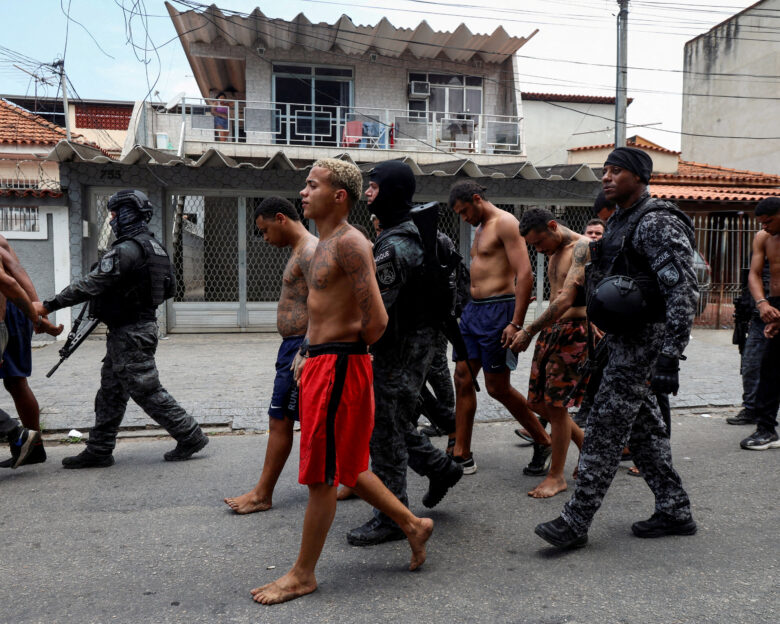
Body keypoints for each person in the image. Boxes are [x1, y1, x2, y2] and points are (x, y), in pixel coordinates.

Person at [250, 159, 433, 605]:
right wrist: (307, 353)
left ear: (339, 196)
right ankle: (413, 524)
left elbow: (377, 323)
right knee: (349, 467)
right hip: (320, 362)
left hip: (340, 367)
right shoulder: (321, 245)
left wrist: (339, 351)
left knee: (322, 476)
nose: (303, 192)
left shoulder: (352, 244)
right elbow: (319, 308)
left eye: (313, 185)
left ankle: (302, 575)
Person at [535, 146, 698, 549]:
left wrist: (670, 356)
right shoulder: (623, 220)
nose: (606, 178)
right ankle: (675, 509)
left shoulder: (655, 222)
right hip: (623, 341)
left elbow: (682, 291)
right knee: (644, 432)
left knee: (605, 430)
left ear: (639, 178)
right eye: (604, 171)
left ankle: (575, 522)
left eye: (616, 171)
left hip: (645, 343)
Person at [33, 190, 209, 468]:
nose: (112, 220)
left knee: (145, 390)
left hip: (131, 331)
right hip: (133, 328)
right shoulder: (155, 247)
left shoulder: (127, 249)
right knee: (111, 391)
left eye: (115, 214)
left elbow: (90, 284)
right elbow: (168, 289)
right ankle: (100, 449)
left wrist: (48, 305)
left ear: (127, 215)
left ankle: (189, 434)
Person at [346, 161, 462, 548]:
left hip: (402, 346)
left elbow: (376, 308)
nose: (367, 193)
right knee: (392, 421)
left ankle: (392, 517)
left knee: (385, 429)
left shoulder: (397, 244)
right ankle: (439, 467)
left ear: (392, 190)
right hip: (409, 343)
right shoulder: (408, 232)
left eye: (374, 187)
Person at [448, 181, 551, 475]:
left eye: (465, 211)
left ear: (478, 199)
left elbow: (525, 273)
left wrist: (516, 323)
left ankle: (543, 439)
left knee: (497, 388)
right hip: (473, 311)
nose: (464, 217)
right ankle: (461, 453)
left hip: (498, 311)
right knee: (462, 377)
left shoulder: (506, 223)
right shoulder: (479, 228)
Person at [224, 197, 317, 513]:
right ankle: (350, 480)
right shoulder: (300, 249)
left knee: (280, 419)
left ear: (280, 219)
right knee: (300, 421)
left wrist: (307, 348)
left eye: (265, 231)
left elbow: (324, 303)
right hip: (294, 346)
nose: (265, 238)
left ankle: (263, 494)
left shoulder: (309, 250)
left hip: (300, 349)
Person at [510, 208, 588, 498]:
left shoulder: (582, 247)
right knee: (539, 402)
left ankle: (557, 476)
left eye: (539, 243)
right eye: (533, 246)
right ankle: (587, 446)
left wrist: (528, 330)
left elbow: (567, 298)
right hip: (553, 331)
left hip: (574, 331)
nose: (538, 250)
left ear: (553, 226)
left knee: (556, 406)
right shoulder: (554, 251)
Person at [0, 235, 61, 467]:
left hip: (9, 313)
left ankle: (26, 441)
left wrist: (37, 316)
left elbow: (14, 277)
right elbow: (18, 272)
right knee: (16, 382)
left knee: (16, 382)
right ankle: (30, 445)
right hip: (15, 311)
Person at [740, 197, 780, 450]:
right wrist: (763, 304)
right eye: (761, 223)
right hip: (775, 303)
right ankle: (766, 430)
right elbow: (754, 273)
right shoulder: (764, 237)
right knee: (769, 369)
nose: (764, 227)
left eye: (769, 221)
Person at [729, 251, 771, 426]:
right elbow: (752, 277)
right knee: (750, 364)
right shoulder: (762, 242)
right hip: (758, 315)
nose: (764, 224)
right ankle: (751, 408)